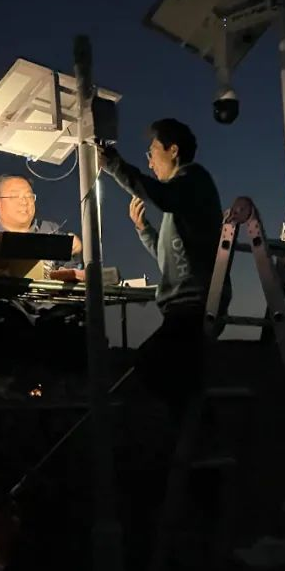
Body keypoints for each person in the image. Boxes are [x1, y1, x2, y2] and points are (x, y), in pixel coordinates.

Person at [97, 118, 225, 418]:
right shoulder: (179, 203)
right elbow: (167, 257)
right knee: (177, 384)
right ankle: (193, 431)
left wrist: (113, 164)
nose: (150, 161)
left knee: (149, 368)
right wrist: (143, 229)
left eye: (152, 151)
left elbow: (160, 195)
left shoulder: (193, 180)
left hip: (195, 306)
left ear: (173, 150)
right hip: (181, 309)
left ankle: (192, 431)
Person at [0, 174, 85, 398]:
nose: (24, 202)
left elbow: (73, 266)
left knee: (76, 319)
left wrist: (73, 250)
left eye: (28, 196)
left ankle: (69, 389)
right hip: (11, 306)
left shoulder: (50, 230)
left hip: (50, 307)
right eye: (15, 196)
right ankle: (5, 384)